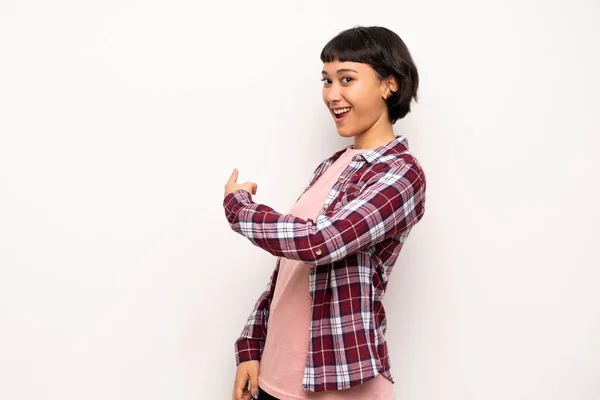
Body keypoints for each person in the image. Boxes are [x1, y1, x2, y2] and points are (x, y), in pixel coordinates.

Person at [223, 26, 427, 400]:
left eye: (346, 79)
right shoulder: (334, 164)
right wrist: (251, 346)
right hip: (275, 377)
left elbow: (319, 243)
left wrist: (240, 209)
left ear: (389, 85)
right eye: (326, 80)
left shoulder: (400, 174)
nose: (332, 94)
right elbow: (289, 270)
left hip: (338, 384)